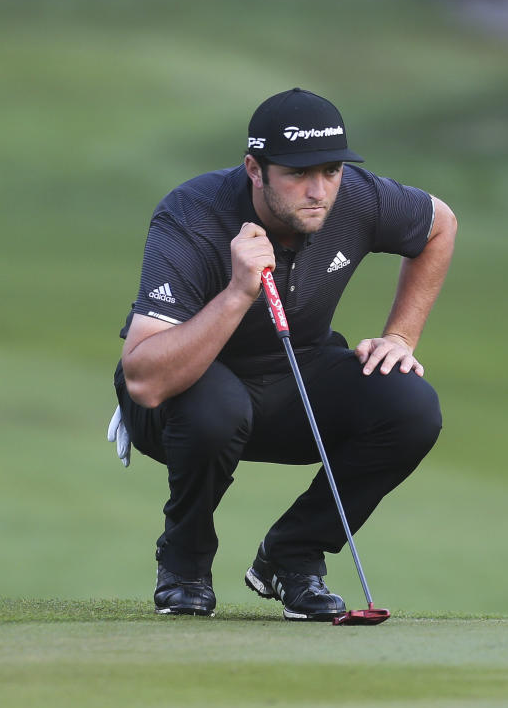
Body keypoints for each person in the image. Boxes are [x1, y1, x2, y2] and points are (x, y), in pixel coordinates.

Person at [111, 88, 456, 620]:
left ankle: (291, 558)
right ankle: (184, 563)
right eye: (297, 173)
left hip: (295, 378)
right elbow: (145, 379)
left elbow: (440, 224)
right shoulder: (192, 215)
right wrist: (237, 293)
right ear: (255, 168)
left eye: (331, 170)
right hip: (184, 394)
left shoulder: (356, 198)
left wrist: (401, 338)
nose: (318, 190)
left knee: (410, 406)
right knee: (216, 407)